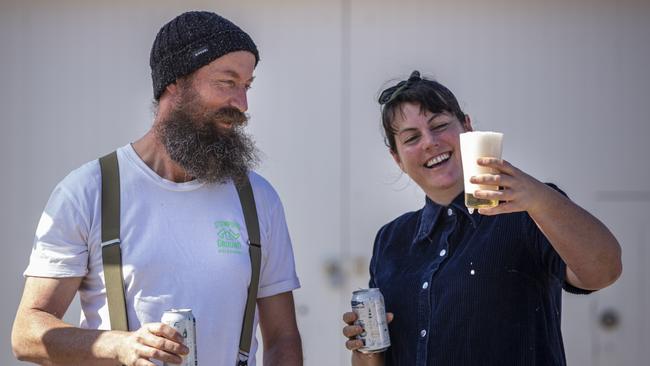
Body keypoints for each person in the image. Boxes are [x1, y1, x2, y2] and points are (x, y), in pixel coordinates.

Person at [11, 11, 302, 366]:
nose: (242, 105)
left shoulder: (257, 198)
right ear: (173, 83)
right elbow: (27, 332)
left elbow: (283, 339)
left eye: (247, 85)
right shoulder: (89, 191)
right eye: (227, 82)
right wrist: (118, 346)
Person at [342, 71, 622, 366]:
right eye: (411, 138)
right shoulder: (390, 239)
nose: (429, 142)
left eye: (439, 125)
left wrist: (538, 196)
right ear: (397, 158)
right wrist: (365, 349)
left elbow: (604, 271)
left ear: (467, 127)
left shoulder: (527, 209)